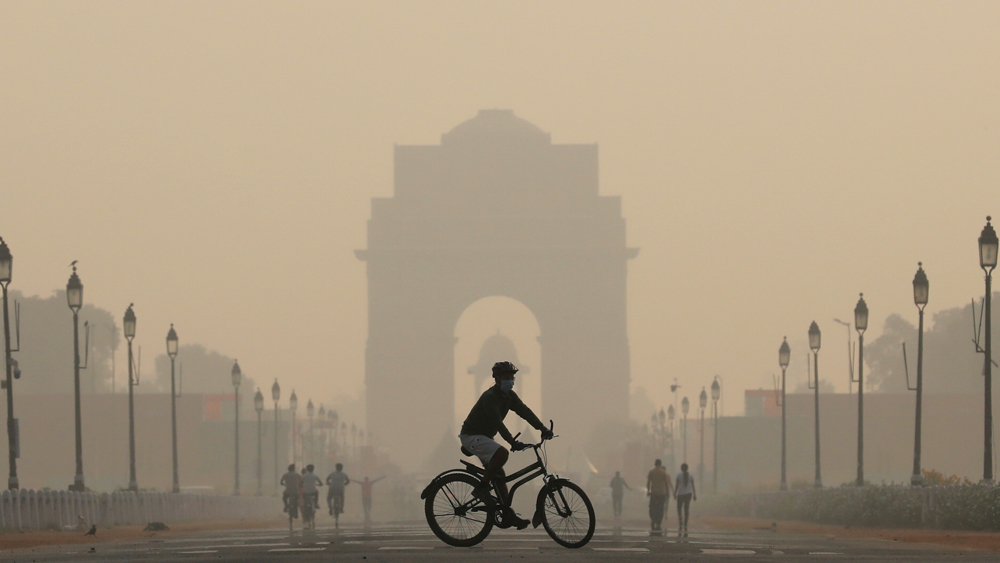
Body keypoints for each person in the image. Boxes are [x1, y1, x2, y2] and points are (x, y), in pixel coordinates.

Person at [459, 361, 553, 530]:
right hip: (471, 436)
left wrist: (542, 428)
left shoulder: (509, 397)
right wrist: (512, 442)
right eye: (506, 377)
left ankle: (507, 514)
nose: (510, 380)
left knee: (500, 476)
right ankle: (481, 489)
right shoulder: (490, 398)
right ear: (496, 378)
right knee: (502, 454)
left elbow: (525, 412)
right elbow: (498, 424)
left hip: (484, 438)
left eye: (512, 377)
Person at [646, 459, 672, 532]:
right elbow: (666, 483)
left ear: (655, 464)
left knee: (652, 507)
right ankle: (658, 522)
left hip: (653, 493)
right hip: (661, 493)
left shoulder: (651, 472)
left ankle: (653, 519)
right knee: (660, 508)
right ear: (660, 464)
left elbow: (648, 482)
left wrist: (648, 491)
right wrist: (667, 492)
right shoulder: (663, 473)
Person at [674, 462, 697, 537]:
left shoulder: (679, 475)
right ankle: (685, 523)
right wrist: (694, 494)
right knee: (686, 509)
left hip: (681, 494)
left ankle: (680, 520)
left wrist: (675, 493)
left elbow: (677, 485)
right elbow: (693, 485)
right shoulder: (690, 475)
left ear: (681, 468)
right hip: (688, 493)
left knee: (679, 508)